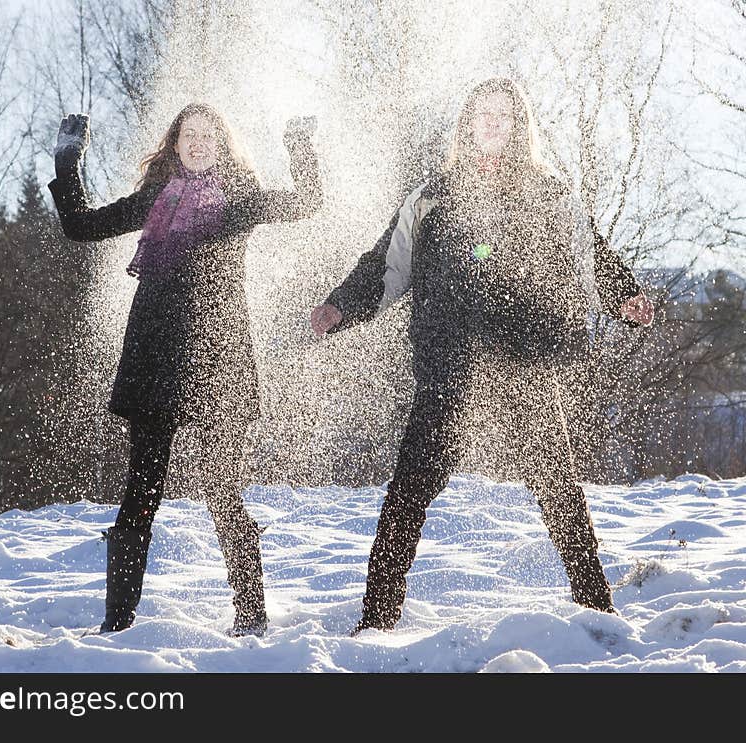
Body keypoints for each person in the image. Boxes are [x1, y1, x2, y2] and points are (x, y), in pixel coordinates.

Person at [310, 78, 653, 633]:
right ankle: (376, 620)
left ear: (520, 128)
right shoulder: (432, 196)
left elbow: (589, 256)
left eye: (504, 116)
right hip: (449, 365)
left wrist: (623, 294)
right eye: (482, 115)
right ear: (467, 124)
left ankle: (598, 612)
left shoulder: (548, 194)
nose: (492, 124)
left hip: (525, 364)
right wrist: (342, 304)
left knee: (558, 487)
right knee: (409, 490)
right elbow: (387, 265)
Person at [49, 103, 321, 636]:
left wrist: (298, 144)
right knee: (142, 488)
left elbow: (308, 201)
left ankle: (251, 614)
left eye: (207, 135)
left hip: (218, 355)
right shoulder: (154, 198)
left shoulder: (239, 200)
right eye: (187, 135)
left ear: (221, 144)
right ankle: (117, 621)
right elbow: (80, 227)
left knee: (222, 488)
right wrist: (67, 162)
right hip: (155, 354)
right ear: (174, 145)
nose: (197, 142)